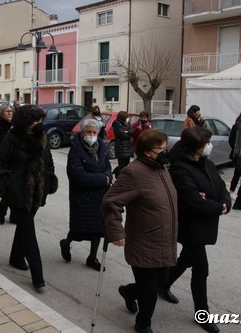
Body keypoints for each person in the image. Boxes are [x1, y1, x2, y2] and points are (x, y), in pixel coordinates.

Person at [102, 128, 178, 333]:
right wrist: (116, 231)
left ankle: (128, 291)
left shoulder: (161, 168)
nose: (165, 152)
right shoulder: (133, 172)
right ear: (146, 152)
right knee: (150, 290)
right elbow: (111, 201)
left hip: (165, 239)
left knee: (162, 281)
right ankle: (143, 323)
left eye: (165, 147)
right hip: (144, 241)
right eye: (160, 149)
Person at [159, 127, 231, 333]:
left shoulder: (206, 163)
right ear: (196, 146)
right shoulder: (180, 168)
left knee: (186, 260)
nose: (210, 145)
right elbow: (193, 201)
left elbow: (221, 186)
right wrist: (218, 207)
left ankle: (156, 286)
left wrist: (225, 203)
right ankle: (202, 314)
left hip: (204, 223)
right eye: (206, 142)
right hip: (190, 226)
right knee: (201, 270)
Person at [0, 105, 57, 289]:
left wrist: (50, 179)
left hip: (37, 193)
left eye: (40, 121)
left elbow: (49, 162)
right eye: (34, 121)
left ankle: (16, 257)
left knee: (23, 228)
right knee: (29, 233)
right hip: (18, 194)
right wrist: (9, 182)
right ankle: (38, 277)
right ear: (25, 123)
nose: (38, 124)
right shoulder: (12, 138)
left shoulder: (42, 138)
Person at [60, 118, 111, 271]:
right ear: (82, 134)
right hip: (82, 197)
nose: (91, 135)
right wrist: (103, 178)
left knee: (98, 229)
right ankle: (66, 242)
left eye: (94, 132)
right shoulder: (76, 149)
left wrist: (107, 176)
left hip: (100, 195)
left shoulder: (102, 146)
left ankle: (92, 258)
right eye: (88, 132)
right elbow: (77, 176)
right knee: (78, 229)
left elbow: (107, 167)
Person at [0, 103, 14, 224]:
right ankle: (3, 210)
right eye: (7, 111)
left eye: (11, 111)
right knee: (8, 189)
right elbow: (1, 145)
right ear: (1, 114)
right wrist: (10, 132)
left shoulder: (16, 126)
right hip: (3, 163)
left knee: (13, 189)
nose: (10, 113)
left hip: (15, 161)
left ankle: (2, 209)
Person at [112, 111, 134, 177]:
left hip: (127, 147)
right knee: (122, 165)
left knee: (127, 165)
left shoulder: (126, 123)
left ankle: (119, 174)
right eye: (126, 117)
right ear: (122, 117)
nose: (128, 118)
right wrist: (129, 134)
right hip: (121, 147)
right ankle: (118, 175)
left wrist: (128, 132)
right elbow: (122, 134)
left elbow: (132, 131)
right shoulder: (116, 123)